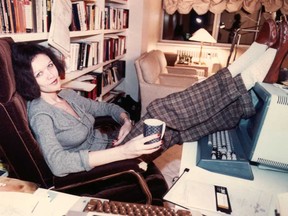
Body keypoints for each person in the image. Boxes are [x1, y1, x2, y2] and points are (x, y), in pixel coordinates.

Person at [11, 18, 287, 177]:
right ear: (27, 82)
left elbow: (104, 106)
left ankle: (248, 99)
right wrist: (124, 151)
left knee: (178, 131)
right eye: (39, 74)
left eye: (49, 66)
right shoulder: (40, 114)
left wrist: (126, 120)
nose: (50, 75)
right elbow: (58, 164)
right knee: (160, 110)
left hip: (115, 142)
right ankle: (256, 63)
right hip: (108, 161)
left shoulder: (67, 94)